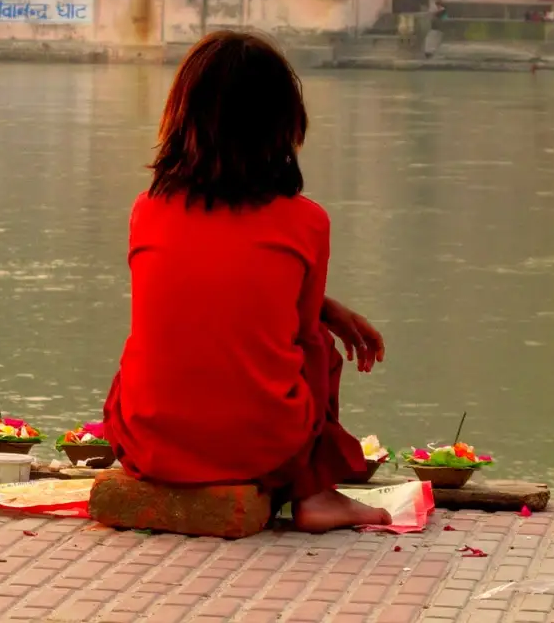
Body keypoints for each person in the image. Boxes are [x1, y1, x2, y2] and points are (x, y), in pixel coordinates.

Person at [102, 31, 391, 534]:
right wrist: (324, 311)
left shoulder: (146, 210)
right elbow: (299, 333)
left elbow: (203, 294)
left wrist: (326, 305)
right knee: (319, 349)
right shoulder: (307, 222)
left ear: (181, 117)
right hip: (262, 452)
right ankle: (314, 494)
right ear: (283, 123)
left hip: (149, 447)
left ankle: (298, 487)